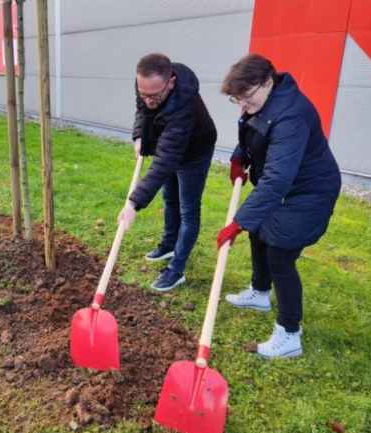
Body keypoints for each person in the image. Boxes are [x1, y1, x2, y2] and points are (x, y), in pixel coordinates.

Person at [217, 54, 341, 359]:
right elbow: (253, 133)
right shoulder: (260, 102)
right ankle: (260, 292)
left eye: (245, 98)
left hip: (311, 191)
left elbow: (276, 181)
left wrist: (238, 221)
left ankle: (289, 335)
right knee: (259, 230)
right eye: (236, 100)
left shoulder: (290, 116)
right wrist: (238, 157)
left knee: (281, 255)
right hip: (290, 187)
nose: (242, 106)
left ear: (268, 82)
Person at [117, 53, 217, 292]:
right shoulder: (147, 85)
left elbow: (163, 163)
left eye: (155, 95)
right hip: (170, 144)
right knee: (169, 198)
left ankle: (177, 268)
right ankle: (169, 244)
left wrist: (133, 204)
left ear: (170, 82)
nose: (149, 100)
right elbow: (142, 109)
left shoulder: (185, 106)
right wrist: (139, 134)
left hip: (194, 152)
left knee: (188, 209)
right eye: (144, 93)